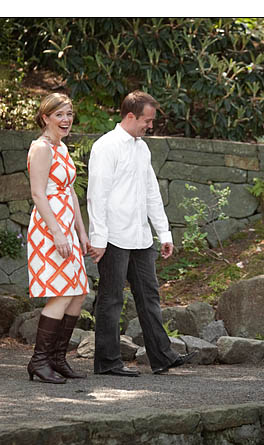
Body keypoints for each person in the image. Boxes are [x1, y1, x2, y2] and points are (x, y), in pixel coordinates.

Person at [87, 90, 195, 376]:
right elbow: (97, 196)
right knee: (111, 300)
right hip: (113, 238)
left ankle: (162, 357)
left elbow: (151, 193)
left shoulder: (142, 148)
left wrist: (165, 233)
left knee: (149, 296)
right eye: (147, 120)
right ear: (131, 115)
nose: (150, 126)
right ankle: (108, 363)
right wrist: (98, 239)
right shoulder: (106, 146)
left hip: (141, 237)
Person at [26, 93, 93, 383]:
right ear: (45, 118)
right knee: (63, 292)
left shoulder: (62, 147)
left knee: (78, 293)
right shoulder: (41, 148)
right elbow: (38, 193)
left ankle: (56, 359)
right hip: (49, 227)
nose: (66, 120)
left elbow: (69, 192)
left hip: (67, 227)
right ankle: (39, 362)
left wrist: (80, 231)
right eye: (59, 115)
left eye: (69, 114)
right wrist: (56, 232)